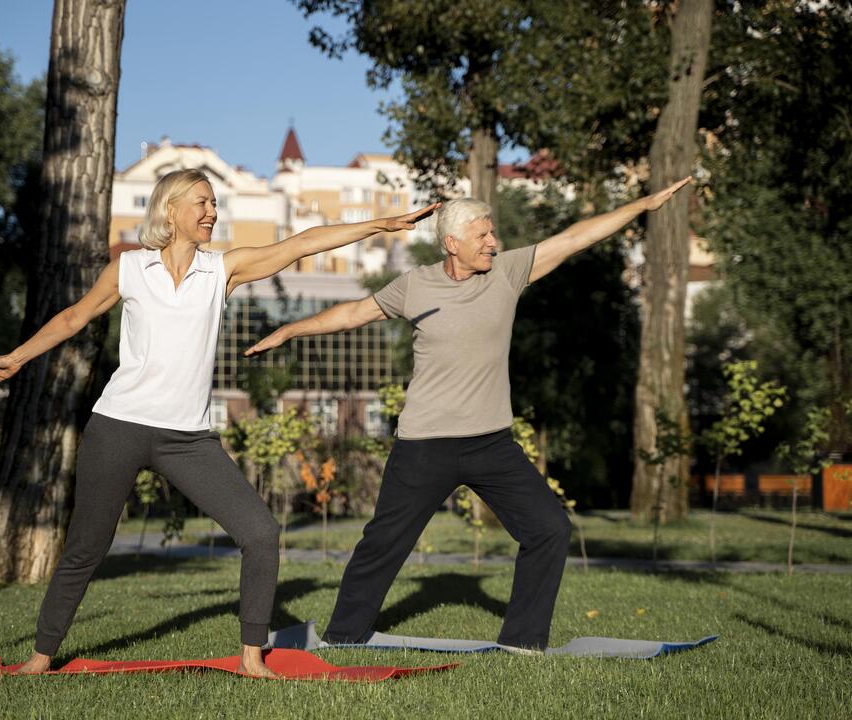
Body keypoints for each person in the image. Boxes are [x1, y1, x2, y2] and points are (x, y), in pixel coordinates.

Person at [0, 168, 438, 675]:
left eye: (215, 204)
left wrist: (380, 225)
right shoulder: (129, 268)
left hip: (188, 439)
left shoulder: (222, 270)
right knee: (86, 547)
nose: (211, 212)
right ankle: (40, 658)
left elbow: (302, 243)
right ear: (169, 208)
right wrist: (18, 357)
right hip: (118, 426)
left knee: (260, 532)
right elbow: (73, 319)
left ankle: (251, 657)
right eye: (201, 202)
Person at [245, 177, 692, 652]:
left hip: (491, 443)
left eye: (493, 233)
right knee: (383, 543)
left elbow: (576, 237)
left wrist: (642, 204)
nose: (494, 243)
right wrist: (289, 330)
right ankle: (344, 635)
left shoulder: (507, 272)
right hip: (424, 443)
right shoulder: (415, 285)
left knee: (549, 528)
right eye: (483, 236)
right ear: (451, 243)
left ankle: (522, 640)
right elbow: (355, 312)